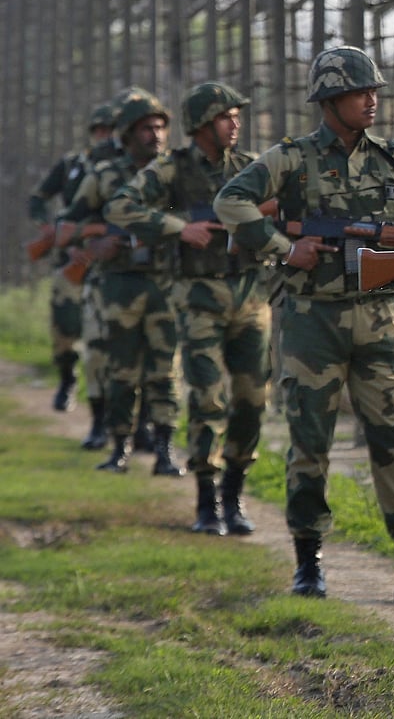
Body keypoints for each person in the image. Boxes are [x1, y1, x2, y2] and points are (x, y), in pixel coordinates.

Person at [214, 45, 394, 604]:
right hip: (313, 321)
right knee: (310, 442)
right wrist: (284, 248)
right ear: (329, 101)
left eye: (374, 91)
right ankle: (308, 564)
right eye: (358, 92)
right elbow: (232, 202)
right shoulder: (292, 158)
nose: (371, 100)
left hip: (381, 319)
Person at [105, 82, 270, 536]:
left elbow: (291, 208)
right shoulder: (172, 169)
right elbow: (120, 207)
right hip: (197, 297)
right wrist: (179, 228)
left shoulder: (252, 167)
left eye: (236, 116)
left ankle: (234, 494)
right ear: (201, 125)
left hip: (250, 295)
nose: (234, 124)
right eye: (224, 117)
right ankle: (206, 500)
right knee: (206, 396)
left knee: (252, 400)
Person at [64, 87, 184, 477]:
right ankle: (120, 447)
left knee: (165, 371)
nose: (156, 135)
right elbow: (68, 225)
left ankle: (165, 450)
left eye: (161, 127)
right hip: (118, 285)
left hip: (164, 282)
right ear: (129, 133)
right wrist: (94, 242)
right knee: (121, 371)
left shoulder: (175, 174)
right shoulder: (104, 175)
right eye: (147, 128)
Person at [26, 102, 121, 415]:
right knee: (65, 327)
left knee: (107, 335)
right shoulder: (72, 164)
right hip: (70, 257)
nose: (105, 135)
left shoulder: (124, 168)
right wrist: (50, 231)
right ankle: (67, 379)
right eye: (100, 130)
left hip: (108, 257)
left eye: (110, 130)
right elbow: (38, 199)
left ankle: (110, 403)